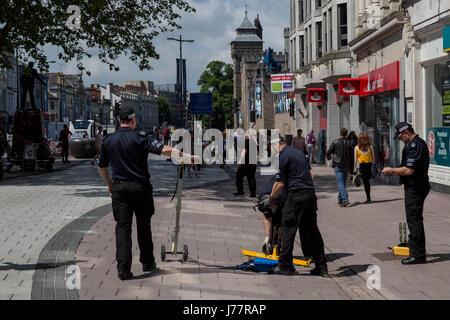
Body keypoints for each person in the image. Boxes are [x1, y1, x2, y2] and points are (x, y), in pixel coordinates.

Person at [98, 107, 195, 280]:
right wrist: (186, 156)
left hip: (119, 188)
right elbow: (164, 149)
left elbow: (101, 167)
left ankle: (123, 269)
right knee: (144, 226)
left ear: (119, 121)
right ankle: (147, 262)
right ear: (133, 120)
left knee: (122, 228)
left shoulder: (108, 140)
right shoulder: (140, 137)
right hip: (140, 188)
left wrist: (110, 184)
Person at [266, 136, 328, 276]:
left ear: (276, 145)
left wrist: (270, 199)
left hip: (295, 197)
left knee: (288, 229)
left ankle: (284, 266)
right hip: (310, 195)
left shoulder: (282, 157)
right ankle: (321, 266)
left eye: (270, 148)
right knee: (313, 232)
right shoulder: (299, 153)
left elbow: (279, 184)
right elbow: (311, 174)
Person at [382, 122, 430, 265]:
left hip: (416, 187)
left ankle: (419, 255)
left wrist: (392, 170)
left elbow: (409, 170)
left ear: (407, 132)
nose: (400, 139)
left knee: (414, 220)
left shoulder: (416, 145)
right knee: (412, 218)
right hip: (413, 186)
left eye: (400, 136)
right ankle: (412, 244)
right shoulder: (412, 144)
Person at [326, 128, 353, 207]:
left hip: (338, 165)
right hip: (346, 165)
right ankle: (340, 200)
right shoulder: (349, 143)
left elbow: (328, 152)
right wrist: (351, 168)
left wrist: (329, 157)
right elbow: (352, 157)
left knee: (341, 183)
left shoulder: (335, 142)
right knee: (343, 183)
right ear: (346, 134)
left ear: (340, 133)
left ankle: (345, 199)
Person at [354, 133, 375, 203]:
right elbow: (373, 158)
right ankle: (368, 197)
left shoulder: (356, 147)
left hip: (362, 165)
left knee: (365, 181)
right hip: (369, 165)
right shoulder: (370, 146)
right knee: (367, 182)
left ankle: (368, 197)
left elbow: (355, 159)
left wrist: (354, 167)